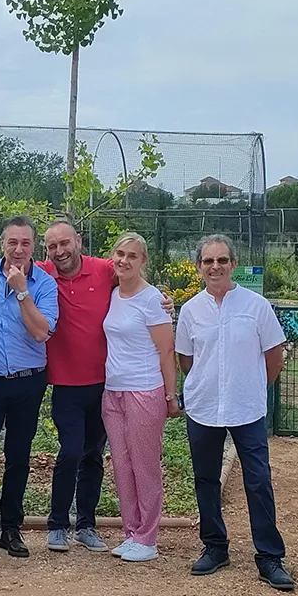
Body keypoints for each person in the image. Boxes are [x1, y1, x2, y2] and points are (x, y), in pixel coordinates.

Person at [174, 234, 295, 591]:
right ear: (199, 267)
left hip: (247, 407)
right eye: (208, 261)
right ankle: (214, 547)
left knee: (258, 480)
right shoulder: (191, 311)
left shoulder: (256, 306)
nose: (215, 267)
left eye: (222, 260)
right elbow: (186, 360)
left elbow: (275, 357)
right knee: (206, 479)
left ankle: (269, 557)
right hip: (204, 407)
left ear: (233, 264)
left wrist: (254, 386)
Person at [0, 216, 58, 558]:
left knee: (18, 456)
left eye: (25, 243)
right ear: (1, 245)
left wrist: (22, 291)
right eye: (12, 243)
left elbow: (40, 332)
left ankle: (11, 526)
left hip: (29, 381)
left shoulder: (45, 285)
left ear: (34, 247)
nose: (19, 250)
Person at [100, 232, 178, 563]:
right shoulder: (114, 293)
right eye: (120, 253)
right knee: (121, 464)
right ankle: (131, 532)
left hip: (144, 391)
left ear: (143, 261)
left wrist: (171, 395)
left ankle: (148, 537)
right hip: (113, 391)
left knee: (145, 466)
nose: (124, 260)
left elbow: (166, 350)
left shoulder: (152, 300)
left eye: (133, 256)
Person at [37, 219, 114, 553]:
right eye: (52, 246)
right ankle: (57, 524)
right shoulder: (42, 273)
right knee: (70, 452)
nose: (59, 251)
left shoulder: (104, 270)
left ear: (78, 241)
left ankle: (86, 524)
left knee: (93, 455)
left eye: (64, 243)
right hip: (65, 385)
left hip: (103, 384)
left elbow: (135, 277)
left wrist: (163, 300)